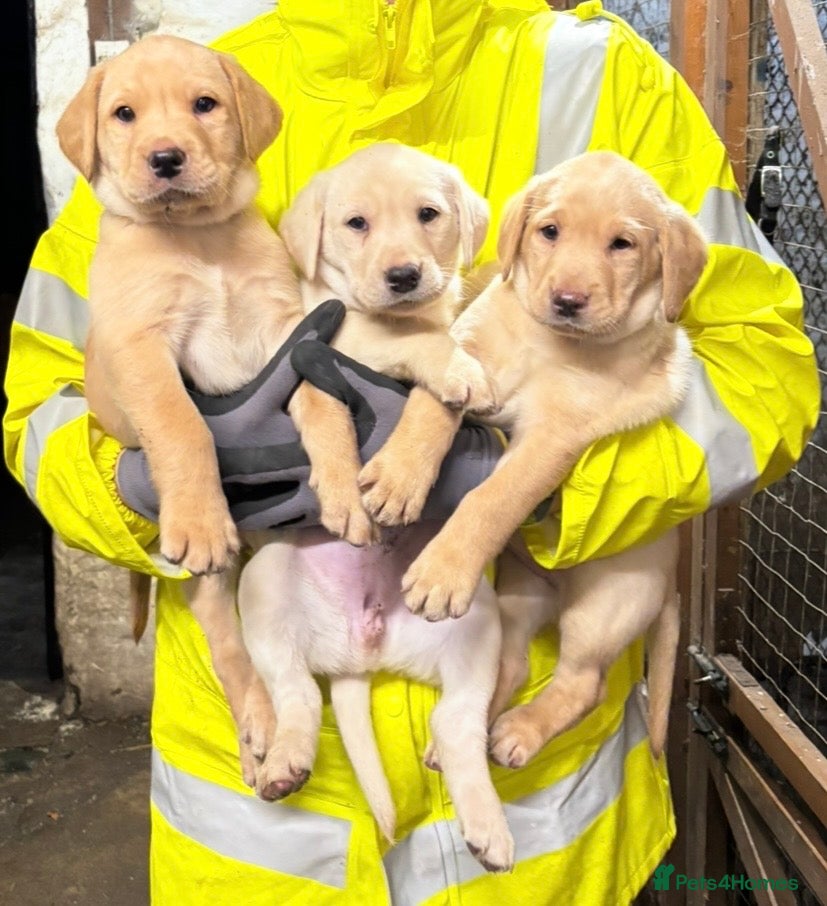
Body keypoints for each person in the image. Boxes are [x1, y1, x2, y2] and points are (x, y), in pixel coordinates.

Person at [3, 1, 818, 903]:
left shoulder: (600, 75)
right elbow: (46, 398)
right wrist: (149, 484)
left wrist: (538, 492)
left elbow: (762, 371)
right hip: (267, 818)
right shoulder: (206, 80)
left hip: (524, 807)